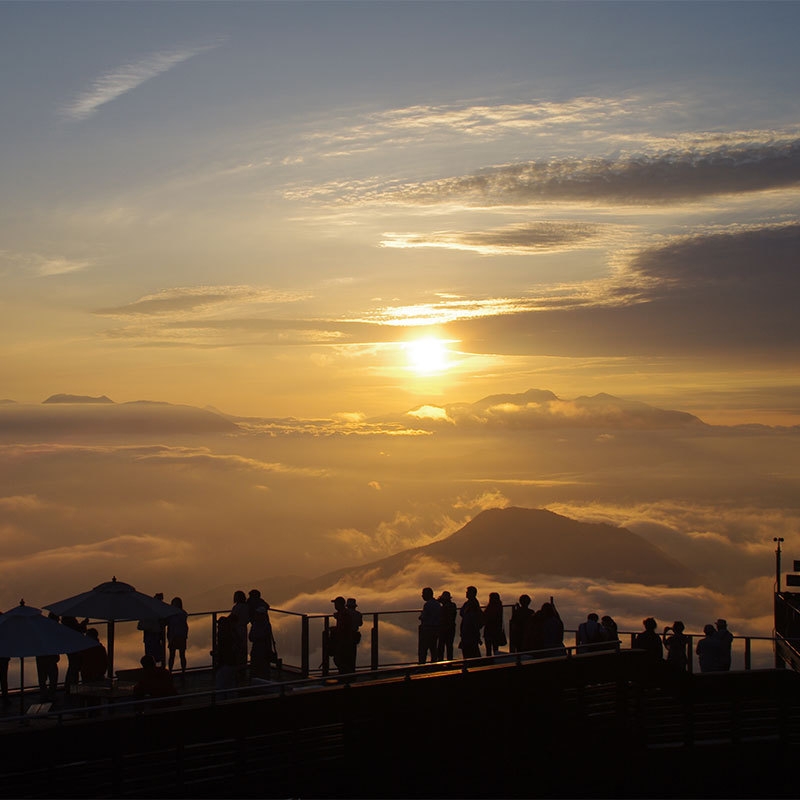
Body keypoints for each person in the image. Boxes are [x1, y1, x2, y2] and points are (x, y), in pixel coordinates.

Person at [36, 612, 60, 702]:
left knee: (43, 678)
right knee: (52, 676)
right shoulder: (53, 629)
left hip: (41, 656)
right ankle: (51, 694)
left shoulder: (41, 627)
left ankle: (44, 695)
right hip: (49, 656)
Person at [137, 592, 166, 666]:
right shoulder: (158, 611)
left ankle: (151, 668)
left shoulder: (149, 610)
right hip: (154, 635)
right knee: (155, 654)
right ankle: (155, 668)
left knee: (151, 654)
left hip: (151, 636)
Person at [330, 596, 356, 674]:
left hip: (343, 641)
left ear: (339, 604)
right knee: (344, 659)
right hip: (347, 640)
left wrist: (334, 629)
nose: (335, 606)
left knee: (340, 659)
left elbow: (343, 628)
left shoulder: (343, 614)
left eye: (336, 604)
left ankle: (345, 675)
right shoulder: (344, 613)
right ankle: (346, 675)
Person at [249, 603, 276, 678]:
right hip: (261, 649)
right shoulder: (265, 625)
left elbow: (251, 637)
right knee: (262, 668)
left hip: (259, 649)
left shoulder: (256, 624)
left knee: (258, 667)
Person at [61, 615, 87, 695]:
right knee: (74, 667)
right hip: (74, 647)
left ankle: (70, 686)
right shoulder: (70, 622)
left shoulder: (66, 622)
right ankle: (71, 687)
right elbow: (79, 629)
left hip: (71, 647)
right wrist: (84, 623)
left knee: (73, 666)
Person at [459, 586, 484, 659]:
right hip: (470, 632)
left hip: (470, 632)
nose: (466, 593)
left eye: (468, 592)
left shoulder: (472, 604)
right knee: (472, 651)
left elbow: (463, 613)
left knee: (470, 651)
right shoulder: (472, 603)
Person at [166, 597, 189, 677]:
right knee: (175, 655)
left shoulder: (173, 614)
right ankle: (178, 672)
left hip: (177, 636)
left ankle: (174, 672)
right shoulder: (182, 613)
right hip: (179, 636)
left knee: (178, 655)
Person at [418, 587, 441, 663]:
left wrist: (421, 617)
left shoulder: (427, 605)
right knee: (433, 648)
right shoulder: (437, 604)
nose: (422, 596)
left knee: (423, 649)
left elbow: (424, 617)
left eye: (423, 594)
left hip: (427, 629)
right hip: (435, 629)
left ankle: (422, 666)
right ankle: (434, 664)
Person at [230, 590, 250, 667]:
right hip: (243, 629)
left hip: (236, 629)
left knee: (237, 648)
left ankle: (237, 667)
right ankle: (243, 667)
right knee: (243, 648)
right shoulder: (246, 607)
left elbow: (232, 618)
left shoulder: (237, 607)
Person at [483, 592, 505, 656]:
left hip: (489, 631)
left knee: (488, 650)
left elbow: (486, 617)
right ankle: (494, 661)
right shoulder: (499, 606)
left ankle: (489, 662)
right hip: (496, 631)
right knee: (495, 649)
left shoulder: (490, 608)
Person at [437, 591, 458, 660]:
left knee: (441, 646)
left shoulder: (444, 607)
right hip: (451, 628)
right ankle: (450, 661)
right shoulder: (453, 605)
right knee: (449, 646)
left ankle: (440, 661)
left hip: (444, 628)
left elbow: (442, 617)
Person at [346, 598, 363, 669]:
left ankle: (346, 672)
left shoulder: (345, 613)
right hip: (354, 635)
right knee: (353, 654)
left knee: (345, 655)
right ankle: (352, 669)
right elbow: (360, 624)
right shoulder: (358, 614)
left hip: (346, 636)